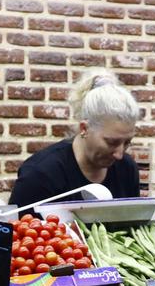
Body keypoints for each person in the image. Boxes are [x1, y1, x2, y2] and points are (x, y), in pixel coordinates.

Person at [8, 70, 143, 207]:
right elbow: (17, 226)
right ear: (84, 129)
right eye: (111, 142)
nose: (119, 154)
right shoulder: (41, 174)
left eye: (127, 142)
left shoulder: (127, 169)